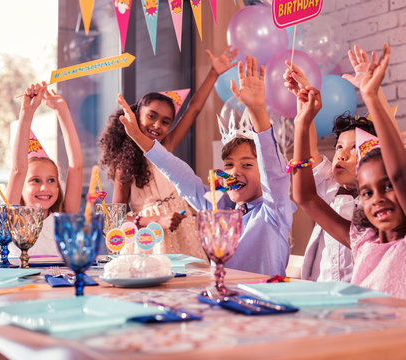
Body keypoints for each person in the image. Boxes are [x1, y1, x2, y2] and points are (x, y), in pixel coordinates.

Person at [291, 44, 406, 302]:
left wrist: (371, 96)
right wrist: (301, 124)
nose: (377, 198)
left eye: (387, 187)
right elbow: (305, 197)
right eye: (367, 192)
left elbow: (401, 174)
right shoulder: (363, 240)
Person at [117, 56, 295, 276]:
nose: (234, 171)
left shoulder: (273, 211)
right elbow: (181, 177)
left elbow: (273, 171)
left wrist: (258, 110)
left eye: (247, 164)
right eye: (228, 164)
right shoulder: (219, 211)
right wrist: (136, 136)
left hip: (264, 305)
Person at [99, 46, 238, 260]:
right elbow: (116, 221)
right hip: (148, 242)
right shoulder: (124, 166)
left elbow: (193, 109)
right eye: (151, 116)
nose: (157, 125)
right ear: (136, 116)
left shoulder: (164, 150)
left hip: (184, 234)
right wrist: (156, 221)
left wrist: (213, 73)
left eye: (165, 122)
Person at [283, 46, 386, 282]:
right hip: (320, 292)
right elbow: (308, 151)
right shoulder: (330, 184)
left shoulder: (375, 205)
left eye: (354, 150)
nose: (341, 156)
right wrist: (302, 98)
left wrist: (373, 92)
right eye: (339, 147)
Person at [7, 83, 83, 257]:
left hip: (57, 284)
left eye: (51, 180)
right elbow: (18, 169)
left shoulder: (63, 218)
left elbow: (76, 166)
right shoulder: (11, 218)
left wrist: (62, 111)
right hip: (21, 284)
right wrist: (27, 112)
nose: (45, 188)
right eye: (35, 180)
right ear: (21, 186)